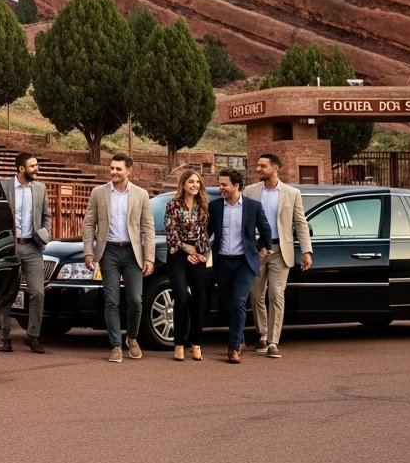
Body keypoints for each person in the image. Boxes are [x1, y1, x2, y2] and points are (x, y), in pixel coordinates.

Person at [82, 153, 155, 362]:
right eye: (112, 168)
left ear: (129, 171)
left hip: (133, 253)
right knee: (111, 300)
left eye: (118, 169)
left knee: (136, 300)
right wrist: (89, 251)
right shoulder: (99, 193)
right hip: (109, 252)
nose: (114, 172)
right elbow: (89, 224)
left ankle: (132, 338)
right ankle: (115, 345)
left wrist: (149, 257)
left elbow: (148, 228)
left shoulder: (141, 194)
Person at [247, 153, 312, 359]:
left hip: (280, 251)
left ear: (275, 168)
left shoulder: (292, 193)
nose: (258, 169)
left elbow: (300, 223)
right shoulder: (249, 191)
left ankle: (274, 341)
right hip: (257, 251)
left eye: (262, 166)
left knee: (276, 294)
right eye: (258, 166)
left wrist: (306, 251)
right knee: (256, 294)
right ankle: (262, 335)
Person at [208, 168, 271, 365]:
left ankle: (233, 348)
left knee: (238, 302)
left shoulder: (253, 206)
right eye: (220, 184)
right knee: (227, 305)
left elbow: (265, 230)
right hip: (223, 262)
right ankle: (241, 339)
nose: (221, 188)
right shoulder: (215, 207)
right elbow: (207, 232)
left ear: (236, 186)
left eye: (224, 185)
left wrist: (262, 249)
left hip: (245, 262)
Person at [0, 152, 51, 354]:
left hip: (32, 247)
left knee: (38, 293)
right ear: (21, 168)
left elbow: (46, 215)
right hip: (10, 246)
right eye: (32, 166)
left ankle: (32, 336)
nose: (36, 169)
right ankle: (5, 336)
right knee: (7, 292)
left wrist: (45, 234)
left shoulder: (40, 188)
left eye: (37, 165)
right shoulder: (5, 186)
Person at [164, 169, 209, 362]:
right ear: (183, 184)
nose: (195, 185)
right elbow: (170, 231)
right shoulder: (173, 205)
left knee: (200, 300)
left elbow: (205, 234)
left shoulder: (203, 206)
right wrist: (185, 248)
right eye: (191, 182)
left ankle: (196, 343)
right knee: (181, 298)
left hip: (196, 256)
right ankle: (179, 343)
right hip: (177, 256)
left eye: (197, 182)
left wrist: (199, 254)